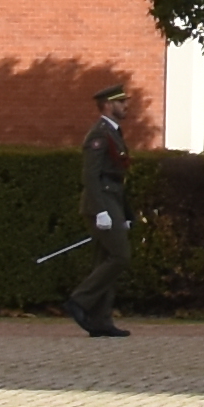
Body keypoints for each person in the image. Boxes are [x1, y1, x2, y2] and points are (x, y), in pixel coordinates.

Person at [65, 80, 140, 340]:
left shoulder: (114, 132)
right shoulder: (99, 134)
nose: (126, 106)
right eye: (121, 102)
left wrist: (126, 214)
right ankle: (80, 300)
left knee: (104, 260)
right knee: (120, 256)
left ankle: (100, 320)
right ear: (108, 105)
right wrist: (100, 210)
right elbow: (91, 175)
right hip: (102, 202)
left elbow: (120, 177)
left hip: (112, 200)